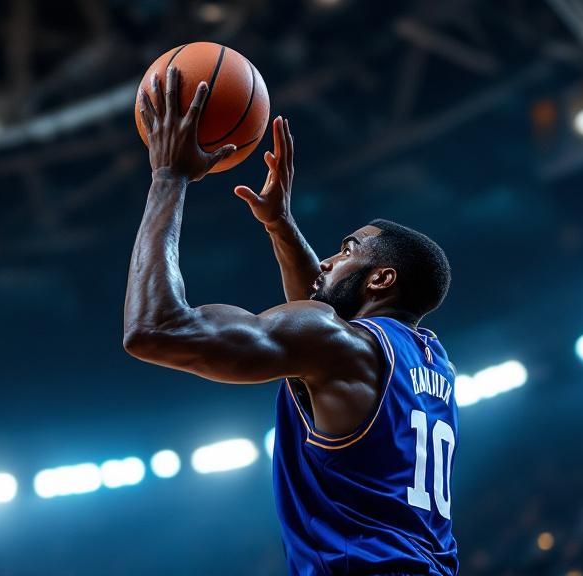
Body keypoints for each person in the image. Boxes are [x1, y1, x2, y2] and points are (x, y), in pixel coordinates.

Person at [124, 66, 458, 576]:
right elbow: (322, 316)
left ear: (381, 279)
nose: (326, 260)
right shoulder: (431, 361)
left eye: (347, 250)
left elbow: (155, 329)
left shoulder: (341, 345)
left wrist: (168, 178)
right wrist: (280, 224)